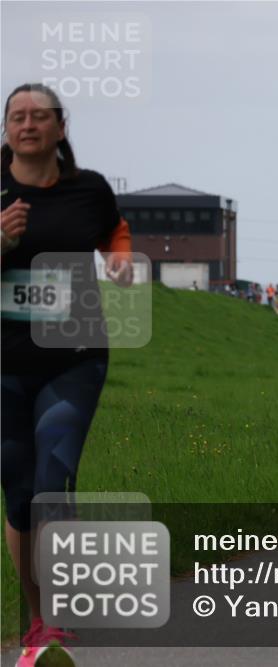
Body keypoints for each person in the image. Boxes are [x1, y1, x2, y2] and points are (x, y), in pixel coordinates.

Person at [2, 83, 134, 667]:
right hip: (4, 361)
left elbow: (114, 229)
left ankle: (53, 618)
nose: (27, 124)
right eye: (16, 116)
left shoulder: (89, 188)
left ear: (60, 126)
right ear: (6, 128)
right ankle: (32, 618)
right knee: (19, 490)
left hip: (74, 354)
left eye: (39, 116)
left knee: (53, 480)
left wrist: (121, 257)